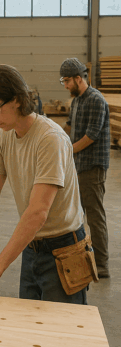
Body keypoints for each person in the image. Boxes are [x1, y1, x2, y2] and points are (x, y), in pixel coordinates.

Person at [0, 64, 87, 304]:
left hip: (64, 250)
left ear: (16, 100)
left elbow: (37, 212)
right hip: (32, 245)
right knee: (30, 321)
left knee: (62, 331)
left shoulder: (49, 139)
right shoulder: (6, 134)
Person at [60, 58, 110, 278]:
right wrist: (55, 138)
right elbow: (69, 125)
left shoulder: (96, 100)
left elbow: (91, 135)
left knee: (95, 215)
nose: (65, 85)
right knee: (76, 213)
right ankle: (83, 255)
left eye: (67, 80)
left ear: (79, 78)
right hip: (78, 166)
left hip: (92, 166)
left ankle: (102, 264)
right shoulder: (77, 100)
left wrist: (68, 150)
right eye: (63, 80)